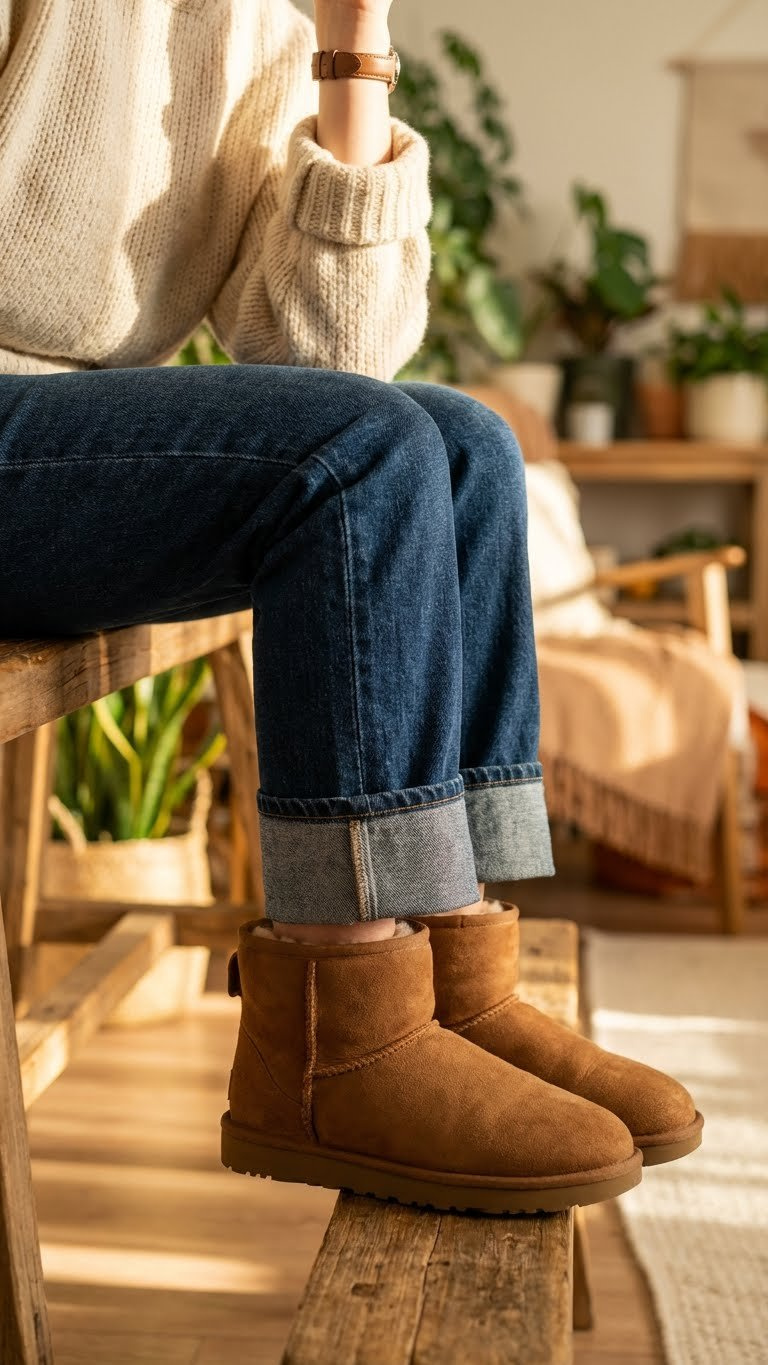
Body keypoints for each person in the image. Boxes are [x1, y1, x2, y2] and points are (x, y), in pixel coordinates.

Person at [0, 0, 701, 1214]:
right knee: (356, 452)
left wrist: (351, 48)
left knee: (466, 444)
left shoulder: (265, 21)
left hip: (73, 446)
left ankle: (452, 974)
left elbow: (329, 353)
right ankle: (335, 1027)